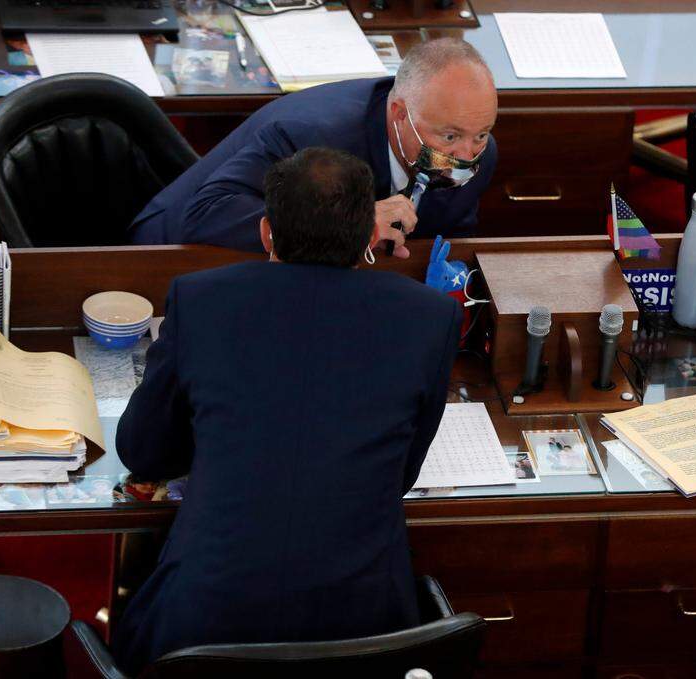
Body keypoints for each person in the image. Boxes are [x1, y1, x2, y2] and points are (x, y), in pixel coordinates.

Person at [112, 148, 462, 672]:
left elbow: (142, 450)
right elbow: (400, 476)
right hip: (369, 636)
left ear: (266, 232)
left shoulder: (201, 300)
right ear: (369, 236)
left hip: (202, 636)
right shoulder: (430, 318)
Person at [129, 38, 498, 258]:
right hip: (168, 256)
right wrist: (350, 226)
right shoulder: (308, 135)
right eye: (449, 137)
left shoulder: (479, 153)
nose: (466, 155)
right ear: (400, 114)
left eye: (481, 134)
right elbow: (206, 215)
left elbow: (449, 241)